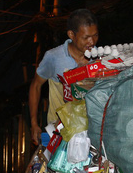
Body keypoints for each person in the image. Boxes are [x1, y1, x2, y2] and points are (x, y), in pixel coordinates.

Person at [28, 8, 99, 145]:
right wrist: (34, 123)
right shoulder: (54, 57)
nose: (92, 42)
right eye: (85, 38)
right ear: (71, 34)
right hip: (59, 131)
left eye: (95, 35)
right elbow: (36, 85)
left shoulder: (99, 59)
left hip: (90, 132)